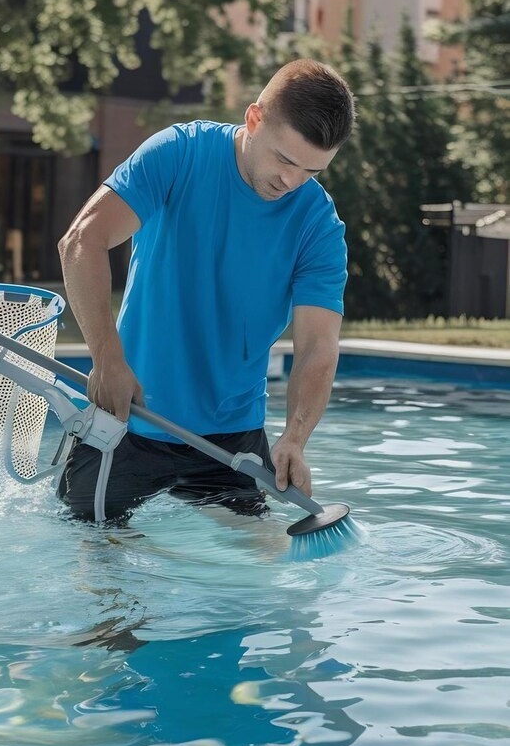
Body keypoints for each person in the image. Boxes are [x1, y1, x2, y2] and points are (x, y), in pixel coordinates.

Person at [57, 58, 355, 523]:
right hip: (128, 418)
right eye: (285, 159)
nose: (292, 182)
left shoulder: (318, 224)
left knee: (257, 563)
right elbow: (82, 241)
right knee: (94, 554)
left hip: (232, 438)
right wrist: (107, 359)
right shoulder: (179, 154)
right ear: (254, 119)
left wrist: (295, 438)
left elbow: (318, 345)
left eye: (312, 171)